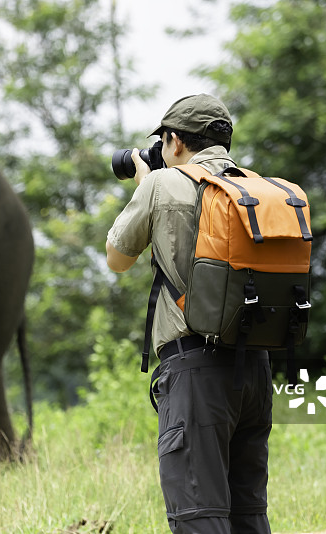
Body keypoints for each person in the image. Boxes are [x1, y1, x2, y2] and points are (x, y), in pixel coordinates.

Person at [105, 94, 272, 534]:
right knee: (248, 515)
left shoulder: (162, 186)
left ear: (174, 141)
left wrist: (147, 183)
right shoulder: (258, 188)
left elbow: (117, 258)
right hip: (256, 369)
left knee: (199, 516)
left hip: (196, 371)